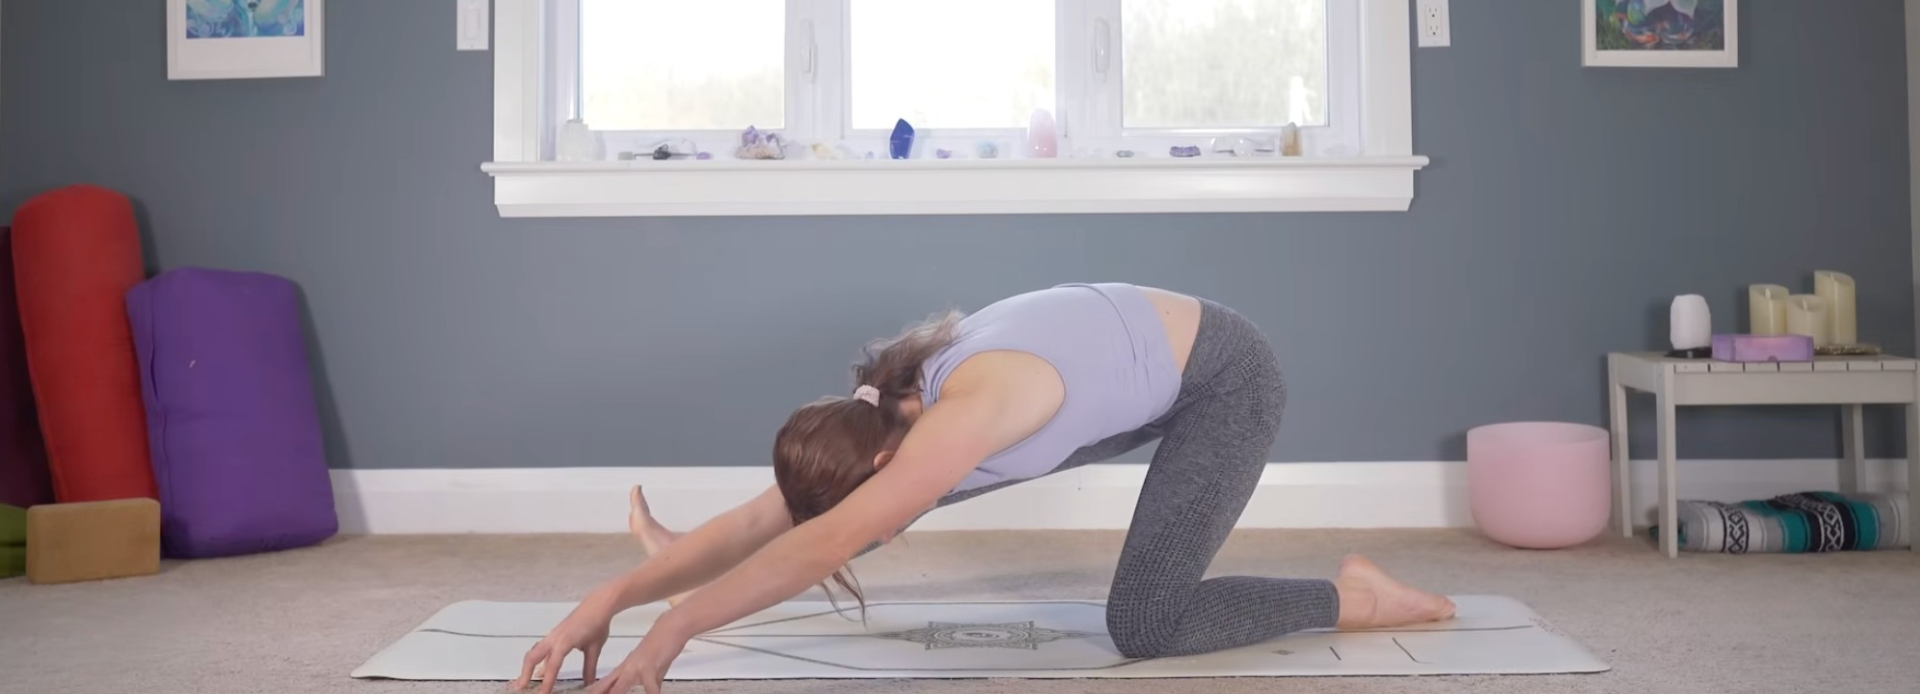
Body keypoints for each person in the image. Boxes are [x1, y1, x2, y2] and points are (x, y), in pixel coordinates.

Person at [512, 284, 1454, 694]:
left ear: (882, 451)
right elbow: (785, 513)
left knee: (1149, 624)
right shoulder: (893, 407)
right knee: (836, 515)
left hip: (1225, 379)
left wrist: (673, 628)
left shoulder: (957, 421)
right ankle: (699, 577)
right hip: (1129, 373)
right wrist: (611, 598)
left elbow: (824, 538)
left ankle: (1357, 595)